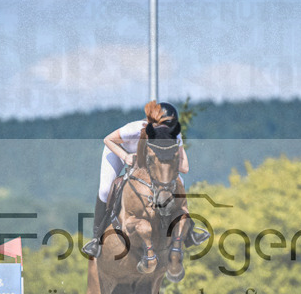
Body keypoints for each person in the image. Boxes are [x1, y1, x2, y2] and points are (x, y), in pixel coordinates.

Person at [81, 101, 209, 259]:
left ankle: (190, 232)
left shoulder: (174, 135)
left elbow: (185, 167)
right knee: (105, 189)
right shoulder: (134, 129)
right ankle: (96, 239)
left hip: (147, 161)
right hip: (118, 151)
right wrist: (125, 156)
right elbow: (108, 140)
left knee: (179, 182)